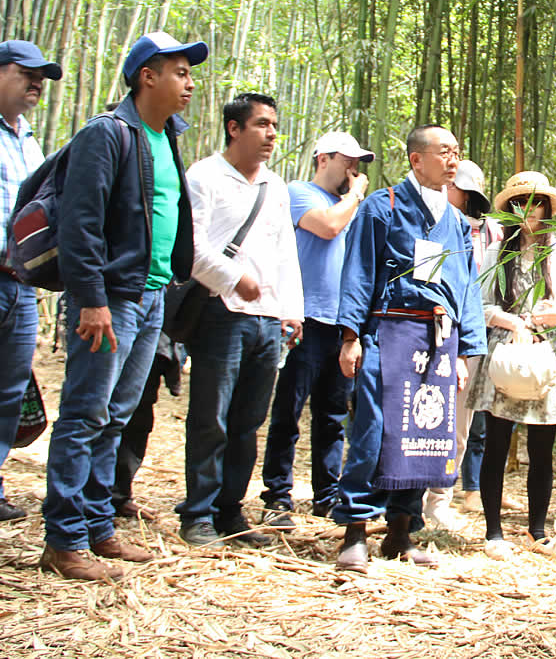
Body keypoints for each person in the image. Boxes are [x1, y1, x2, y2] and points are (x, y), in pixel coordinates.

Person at [42, 31, 203, 580]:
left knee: (115, 417)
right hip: (111, 297)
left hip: (153, 295)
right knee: (85, 413)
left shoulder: (165, 137)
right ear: (146, 76)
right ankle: (63, 540)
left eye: (189, 72)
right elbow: (81, 224)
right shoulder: (107, 134)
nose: (189, 82)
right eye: (179, 71)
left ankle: (96, 525)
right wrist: (90, 300)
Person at [334, 125, 485, 573]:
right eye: (443, 152)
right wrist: (350, 336)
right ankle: (356, 531)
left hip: (435, 340)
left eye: (457, 152)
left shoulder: (457, 221)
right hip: (387, 332)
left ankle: (401, 532)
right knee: (374, 430)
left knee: (425, 435)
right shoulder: (384, 206)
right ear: (416, 160)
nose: (453, 160)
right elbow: (360, 271)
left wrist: (463, 352)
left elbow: (466, 289)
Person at [176, 93, 304, 548]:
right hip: (220, 312)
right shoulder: (204, 176)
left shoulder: (276, 186)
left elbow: (285, 251)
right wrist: (234, 278)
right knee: (211, 417)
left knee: (249, 421)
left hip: (267, 320)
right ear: (234, 128)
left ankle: (231, 510)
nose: (271, 134)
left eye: (274, 125)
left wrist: (292, 308)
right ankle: (198, 514)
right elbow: (189, 245)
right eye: (261, 125)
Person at [466, 171, 556, 560]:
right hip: (507, 352)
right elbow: (480, 307)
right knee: (497, 443)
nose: (528, 210)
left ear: (547, 207)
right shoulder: (497, 252)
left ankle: (537, 530)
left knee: (542, 447)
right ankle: (493, 531)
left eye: (535, 202)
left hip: (548, 353)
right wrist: (512, 320)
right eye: (519, 203)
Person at [260, 131, 373, 532]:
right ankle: (276, 496)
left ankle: (327, 496)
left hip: (340, 324)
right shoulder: (298, 192)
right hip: (302, 319)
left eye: (358, 163)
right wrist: (356, 194)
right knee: (288, 412)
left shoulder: (352, 207)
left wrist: (354, 330)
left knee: (331, 416)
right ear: (323, 158)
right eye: (348, 160)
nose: (354, 170)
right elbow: (327, 227)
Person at [0, 40, 60, 523]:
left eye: (44, 75)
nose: (37, 82)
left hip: (19, 285)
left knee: (9, 389)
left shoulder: (32, 141)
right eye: (28, 73)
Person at [422, 159, 493, 531]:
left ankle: (440, 499)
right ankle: (410, 497)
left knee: (460, 428)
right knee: (424, 418)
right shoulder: (428, 224)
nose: (460, 199)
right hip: (433, 332)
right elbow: (428, 283)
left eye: (466, 194)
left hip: (470, 337)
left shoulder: (490, 234)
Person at [111, 331, 186, 520]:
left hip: (155, 331)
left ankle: (118, 496)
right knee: (98, 413)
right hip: (113, 321)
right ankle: (85, 502)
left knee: (139, 412)